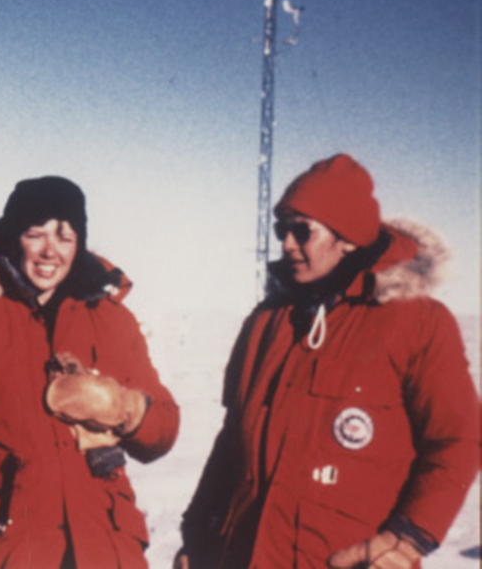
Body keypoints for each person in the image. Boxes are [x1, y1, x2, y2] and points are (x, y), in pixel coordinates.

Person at [177, 154, 479, 568]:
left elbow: (458, 441)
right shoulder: (267, 322)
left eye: (302, 231)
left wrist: (407, 539)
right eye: (282, 230)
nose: (286, 244)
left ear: (348, 238)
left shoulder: (416, 321)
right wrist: (197, 538)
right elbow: (232, 442)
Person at [0, 176, 180, 567]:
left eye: (64, 236)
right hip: (8, 545)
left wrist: (127, 409)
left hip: (103, 545)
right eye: (35, 234)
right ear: (12, 237)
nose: (50, 251)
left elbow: (164, 430)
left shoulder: (110, 319)